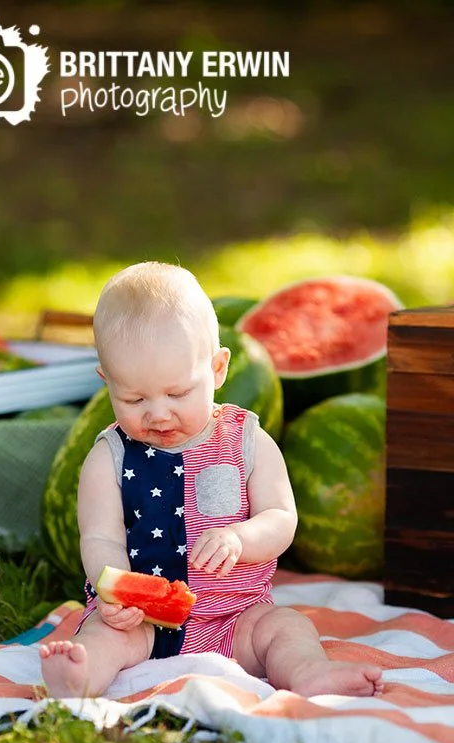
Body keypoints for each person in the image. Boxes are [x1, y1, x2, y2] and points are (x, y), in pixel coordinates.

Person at [39, 262, 384, 700]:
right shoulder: (108, 457)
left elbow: (281, 518)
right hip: (143, 622)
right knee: (104, 636)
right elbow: (100, 538)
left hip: (237, 618)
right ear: (107, 382)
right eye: (134, 398)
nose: (158, 413)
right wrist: (119, 592)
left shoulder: (247, 440)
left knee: (286, 628)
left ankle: (308, 672)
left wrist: (241, 538)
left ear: (218, 369)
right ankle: (78, 676)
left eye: (178, 393)